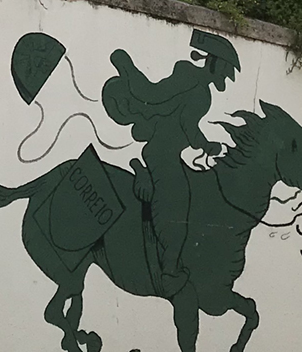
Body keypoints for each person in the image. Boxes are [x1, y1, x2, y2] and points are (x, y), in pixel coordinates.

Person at [101, 30, 240, 296]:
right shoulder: (194, 85)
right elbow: (185, 123)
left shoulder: (193, 82)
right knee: (178, 199)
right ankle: (169, 268)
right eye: (225, 70)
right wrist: (205, 145)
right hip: (162, 154)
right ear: (214, 63)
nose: (226, 76)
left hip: (169, 152)